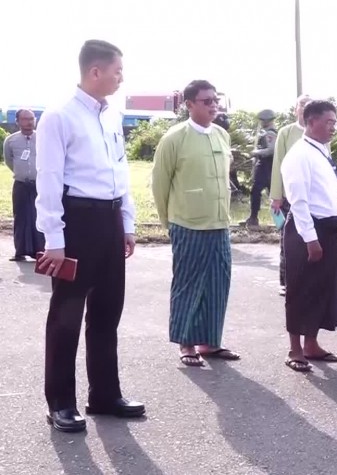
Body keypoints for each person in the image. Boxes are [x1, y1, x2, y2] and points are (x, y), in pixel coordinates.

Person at [36, 40, 144, 433]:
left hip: (110, 220)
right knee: (66, 316)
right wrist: (54, 239)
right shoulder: (59, 117)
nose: (121, 78)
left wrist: (127, 223)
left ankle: (104, 395)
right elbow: (49, 179)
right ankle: (60, 403)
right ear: (95, 71)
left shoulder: (112, 116)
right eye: (117, 71)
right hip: (77, 222)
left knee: (107, 311)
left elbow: (121, 170)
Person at [152, 80, 239, 367]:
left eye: (215, 100)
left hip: (219, 223)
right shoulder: (174, 138)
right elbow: (160, 184)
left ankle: (209, 342)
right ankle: (186, 343)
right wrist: (169, 222)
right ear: (189, 104)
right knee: (188, 284)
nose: (213, 106)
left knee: (218, 283)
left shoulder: (221, 135)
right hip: (187, 223)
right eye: (206, 101)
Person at [280, 99, 337, 373]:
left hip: (328, 230)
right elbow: (298, 201)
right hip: (307, 231)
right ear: (311, 122)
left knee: (321, 289)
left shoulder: (320, 150)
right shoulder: (299, 155)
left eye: (335, 122)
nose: (333, 127)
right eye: (328, 122)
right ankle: (295, 349)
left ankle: (311, 343)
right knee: (300, 290)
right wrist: (310, 239)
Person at [269, 94, 310, 297]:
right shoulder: (286, 132)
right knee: (288, 240)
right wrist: (276, 195)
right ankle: (285, 281)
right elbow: (278, 163)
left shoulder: (318, 131)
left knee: (310, 239)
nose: (304, 108)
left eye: (308, 105)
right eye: (301, 105)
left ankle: (306, 281)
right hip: (289, 196)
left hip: (311, 197)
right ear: (295, 110)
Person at [4, 108, 44, 261]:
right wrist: (21, 173)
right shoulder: (11, 141)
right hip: (21, 184)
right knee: (20, 217)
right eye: (25, 119)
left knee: (40, 216)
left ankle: (40, 251)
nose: (29, 122)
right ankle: (20, 251)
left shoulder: (43, 138)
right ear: (17, 121)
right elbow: (9, 160)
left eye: (31, 119)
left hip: (40, 184)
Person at [242, 109, 278, 227]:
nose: (261, 122)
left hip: (266, 166)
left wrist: (256, 152)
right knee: (271, 193)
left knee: (257, 192)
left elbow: (271, 150)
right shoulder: (266, 132)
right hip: (266, 166)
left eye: (262, 120)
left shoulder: (270, 133)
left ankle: (254, 218)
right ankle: (279, 221)